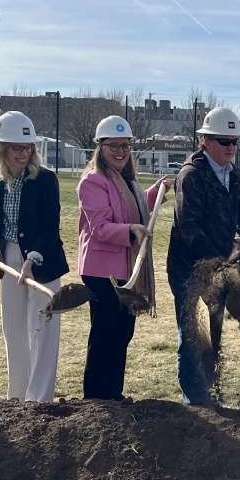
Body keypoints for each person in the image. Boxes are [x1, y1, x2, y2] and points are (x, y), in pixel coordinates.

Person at [0, 111, 68, 403]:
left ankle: (39, 398)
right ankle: (17, 395)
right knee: (14, 328)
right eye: (16, 148)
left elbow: (50, 226)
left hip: (42, 259)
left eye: (27, 147)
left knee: (43, 327)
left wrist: (32, 259)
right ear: (1, 150)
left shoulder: (46, 180)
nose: (23, 153)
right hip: (8, 256)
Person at [76, 116, 170, 400]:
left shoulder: (127, 180)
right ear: (100, 147)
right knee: (106, 332)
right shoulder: (93, 181)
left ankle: (112, 394)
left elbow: (134, 205)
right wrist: (131, 231)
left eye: (125, 146)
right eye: (113, 146)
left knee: (123, 332)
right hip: (101, 271)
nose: (120, 151)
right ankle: (96, 398)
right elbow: (101, 228)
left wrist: (156, 193)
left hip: (126, 269)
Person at [166, 107, 240, 406]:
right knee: (193, 332)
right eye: (224, 141)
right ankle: (196, 400)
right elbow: (188, 227)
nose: (231, 148)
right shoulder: (191, 175)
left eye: (234, 142)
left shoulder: (233, 174)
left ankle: (210, 394)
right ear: (206, 141)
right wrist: (215, 262)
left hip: (220, 267)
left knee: (213, 332)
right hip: (189, 269)